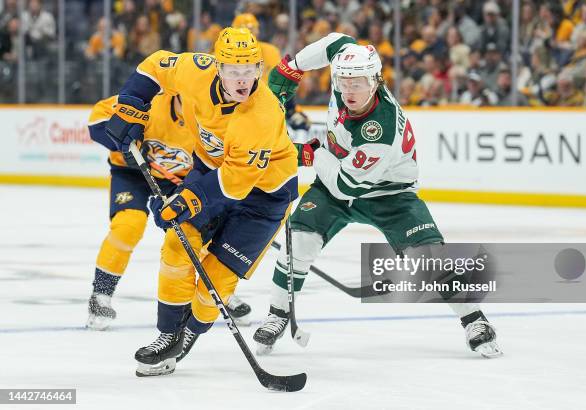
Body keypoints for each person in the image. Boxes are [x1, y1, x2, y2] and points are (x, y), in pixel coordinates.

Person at [253, 33, 502, 358]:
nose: (348, 90)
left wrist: (309, 154)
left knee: (429, 257)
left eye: (357, 83)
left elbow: (347, 186)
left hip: (390, 194)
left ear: (375, 81)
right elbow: (336, 41)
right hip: (338, 181)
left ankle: (473, 319)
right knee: (300, 240)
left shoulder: (380, 129)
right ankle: (277, 314)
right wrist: (293, 68)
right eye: (343, 81)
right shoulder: (347, 69)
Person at [105, 27, 298, 376]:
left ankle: (189, 334)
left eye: (249, 70)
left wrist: (184, 201)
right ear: (217, 67)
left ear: (259, 69)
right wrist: (132, 106)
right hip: (210, 171)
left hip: (264, 196)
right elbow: (154, 66)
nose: (242, 80)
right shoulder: (195, 70)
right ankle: (168, 336)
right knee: (177, 246)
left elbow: (236, 183)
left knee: (217, 279)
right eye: (233, 70)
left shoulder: (262, 113)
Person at [86, 92, 194, 330]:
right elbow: (96, 123)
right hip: (130, 172)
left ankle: (214, 293)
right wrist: (125, 146)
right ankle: (100, 295)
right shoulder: (150, 102)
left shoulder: (212, 117)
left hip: (174, 181)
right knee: (129, 225)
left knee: (192, 234)